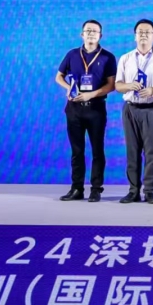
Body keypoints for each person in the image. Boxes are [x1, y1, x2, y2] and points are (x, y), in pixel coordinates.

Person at [54, 20, 118, 203]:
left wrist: (92, 94)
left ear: (100, 35)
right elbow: (58, 76)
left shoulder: (108, 57)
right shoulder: (72, 54)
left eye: (95, 31)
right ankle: (77, 188)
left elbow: (111, 85)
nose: (91, 33)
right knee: (77, 150)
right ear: (82, 34)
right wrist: (68, 88)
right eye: (88, 30)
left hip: (96, 109)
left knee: (97, 150)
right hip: (74, 109)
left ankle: (96, 189)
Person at [114, 19, 153, 204]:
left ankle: (149, 190)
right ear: (135, 36)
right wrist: (129, 86)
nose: (143, 35)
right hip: (130, 109)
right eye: (140, 32)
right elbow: (117, 85)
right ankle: (133, 190)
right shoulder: (125, 58)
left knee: (151, 152)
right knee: (132, 151)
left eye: (147, 32)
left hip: (152, 110)